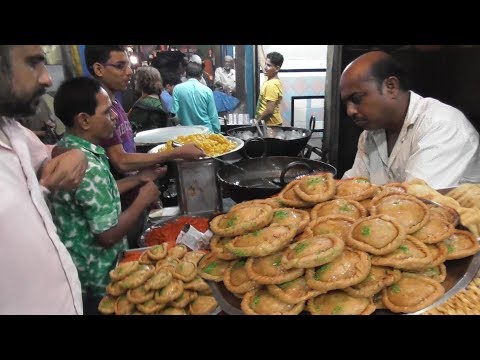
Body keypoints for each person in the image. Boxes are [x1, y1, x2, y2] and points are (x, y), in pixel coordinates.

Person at [51, 77, 162, 314]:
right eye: (106, 111)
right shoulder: (84, 164)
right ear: (84, 120)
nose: (114, 116)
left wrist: (138, 179)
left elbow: (100, 196)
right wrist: (143, 198)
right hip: (98, 283)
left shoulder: (77, 149)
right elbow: (107, 235)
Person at [0, 45, 86, 314]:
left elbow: (49, 153)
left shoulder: (11, 130)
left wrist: (74, 154)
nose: (47, 78)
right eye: (33, 63)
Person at [340, 51, 480, 188]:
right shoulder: (370, 135)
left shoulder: (442, 126)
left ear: (391, 87)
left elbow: (415, 204)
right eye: (346, 103)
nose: (350, 111)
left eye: (357, 98)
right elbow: (353, 190)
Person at [84, 45, 205, 176]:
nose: (130, 71)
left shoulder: (115, 104)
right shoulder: (100, 113)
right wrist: (176, 153)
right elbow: (121, 161)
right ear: (98, 69)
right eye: (120, 66)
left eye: (128, 65)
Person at [171, 61, 220, 133]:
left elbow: (174, 113)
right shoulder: (207, 91)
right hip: (206, 134)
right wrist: (216, 132)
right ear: (201, 76)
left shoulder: (177, 89)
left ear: (186, 74)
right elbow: (213, 115)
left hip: (186, 135)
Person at [128, 66, 170, 132]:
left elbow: (132, 131)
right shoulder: (164, 98)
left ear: (141, 82)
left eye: (136, 79)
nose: (135, 81)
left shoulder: (141, 107)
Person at [255, 51, 285, 126]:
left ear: (277, 68)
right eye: (265, 64)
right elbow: (262, 60)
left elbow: (269, 111)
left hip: (271, 125)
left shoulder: (272, 85)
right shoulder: (269, 78)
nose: (265, 67)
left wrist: (257, 124)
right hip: (267, 124)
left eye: (268, 65)